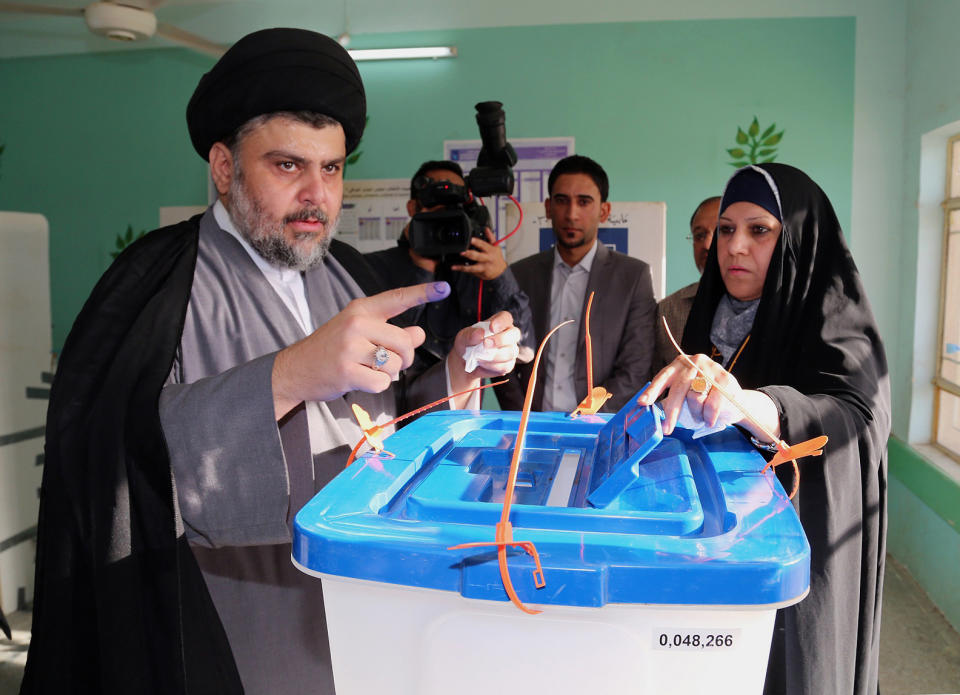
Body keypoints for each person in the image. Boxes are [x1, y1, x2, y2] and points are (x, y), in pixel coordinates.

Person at [22, 28, 520, 695]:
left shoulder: (346, 272)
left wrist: (458, 369)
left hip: (362, 609)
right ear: (225, 168)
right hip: (231, 627)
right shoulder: (156, 283)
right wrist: (289, 375)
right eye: (288, 165)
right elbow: (116, 460)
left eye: (333, 168)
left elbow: (390, 420)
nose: (317, 194)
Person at [638, 163, 890, 695]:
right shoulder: (707, 317)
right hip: (719, 537)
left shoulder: (835, 320)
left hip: (802, 544)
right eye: (726, 229)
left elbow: (857, 417)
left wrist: (754, 405)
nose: (733, 247)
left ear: (797, 240)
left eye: (759, 230)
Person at [495, 154, 657, 413]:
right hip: (529, 426)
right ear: (548, 208)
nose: (572, 214)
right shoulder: (520, 274)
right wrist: (522, 416)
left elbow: (635, 369)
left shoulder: (633, 277)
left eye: (584, 202)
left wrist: (586, 418)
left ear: (604, 211)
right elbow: (504, 364)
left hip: (597, 428)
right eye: (562, 201)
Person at [364, 160, 533, 374]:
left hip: (460, 402)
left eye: (453, 205)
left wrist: (501, 276)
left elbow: (526, 349)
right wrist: (422, 268)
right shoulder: (372, 266)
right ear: (412, 208)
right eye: (434, 202)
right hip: (389, 399)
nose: (443, 215)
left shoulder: (479, 271)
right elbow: (377, 347)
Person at [653, 195, 719, 370]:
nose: (707, 244)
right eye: (699, 235)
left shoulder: (772, 306)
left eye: (722, 231)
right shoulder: (668, 310)